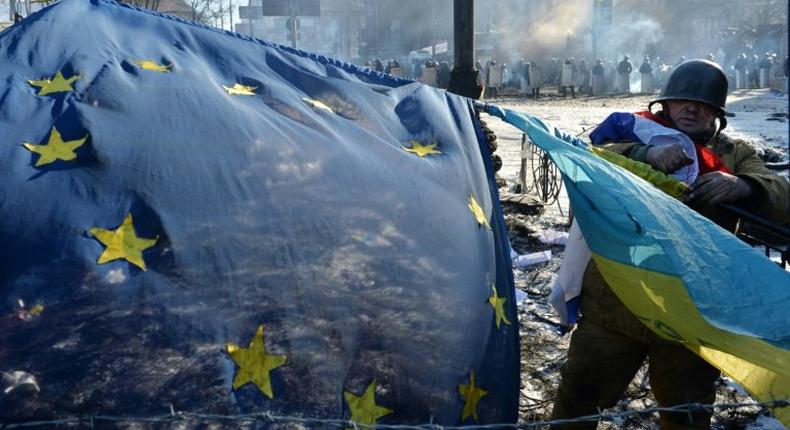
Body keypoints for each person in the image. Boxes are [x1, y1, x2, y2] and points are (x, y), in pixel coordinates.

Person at [550, 59, 790, 430]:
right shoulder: (635, 133)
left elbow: (780, 195)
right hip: (618, 303)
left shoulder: (734, 154)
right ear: (666, 104)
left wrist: (742, 186)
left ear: (716, 111)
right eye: (681, 100)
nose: (691, 108)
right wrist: (645, 155)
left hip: (693, 311)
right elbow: (592, 160)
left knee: (687, 413)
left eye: (702, 103)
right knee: (578, 400)